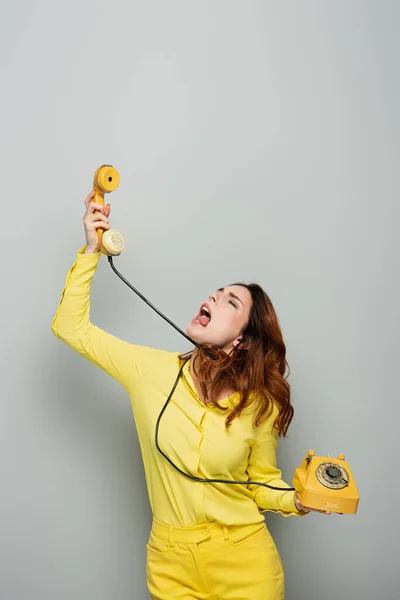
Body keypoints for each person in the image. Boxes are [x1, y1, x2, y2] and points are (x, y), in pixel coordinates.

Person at [52, 190, 328, 600]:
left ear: (243, 341)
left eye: (230, 301)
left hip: (246, 562)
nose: (213, 297)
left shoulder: (260, 408)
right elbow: (70, 328)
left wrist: (300, 500)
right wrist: (91, 250)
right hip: (170, 562)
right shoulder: (149, 370)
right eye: (216, 292)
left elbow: (261, 484)